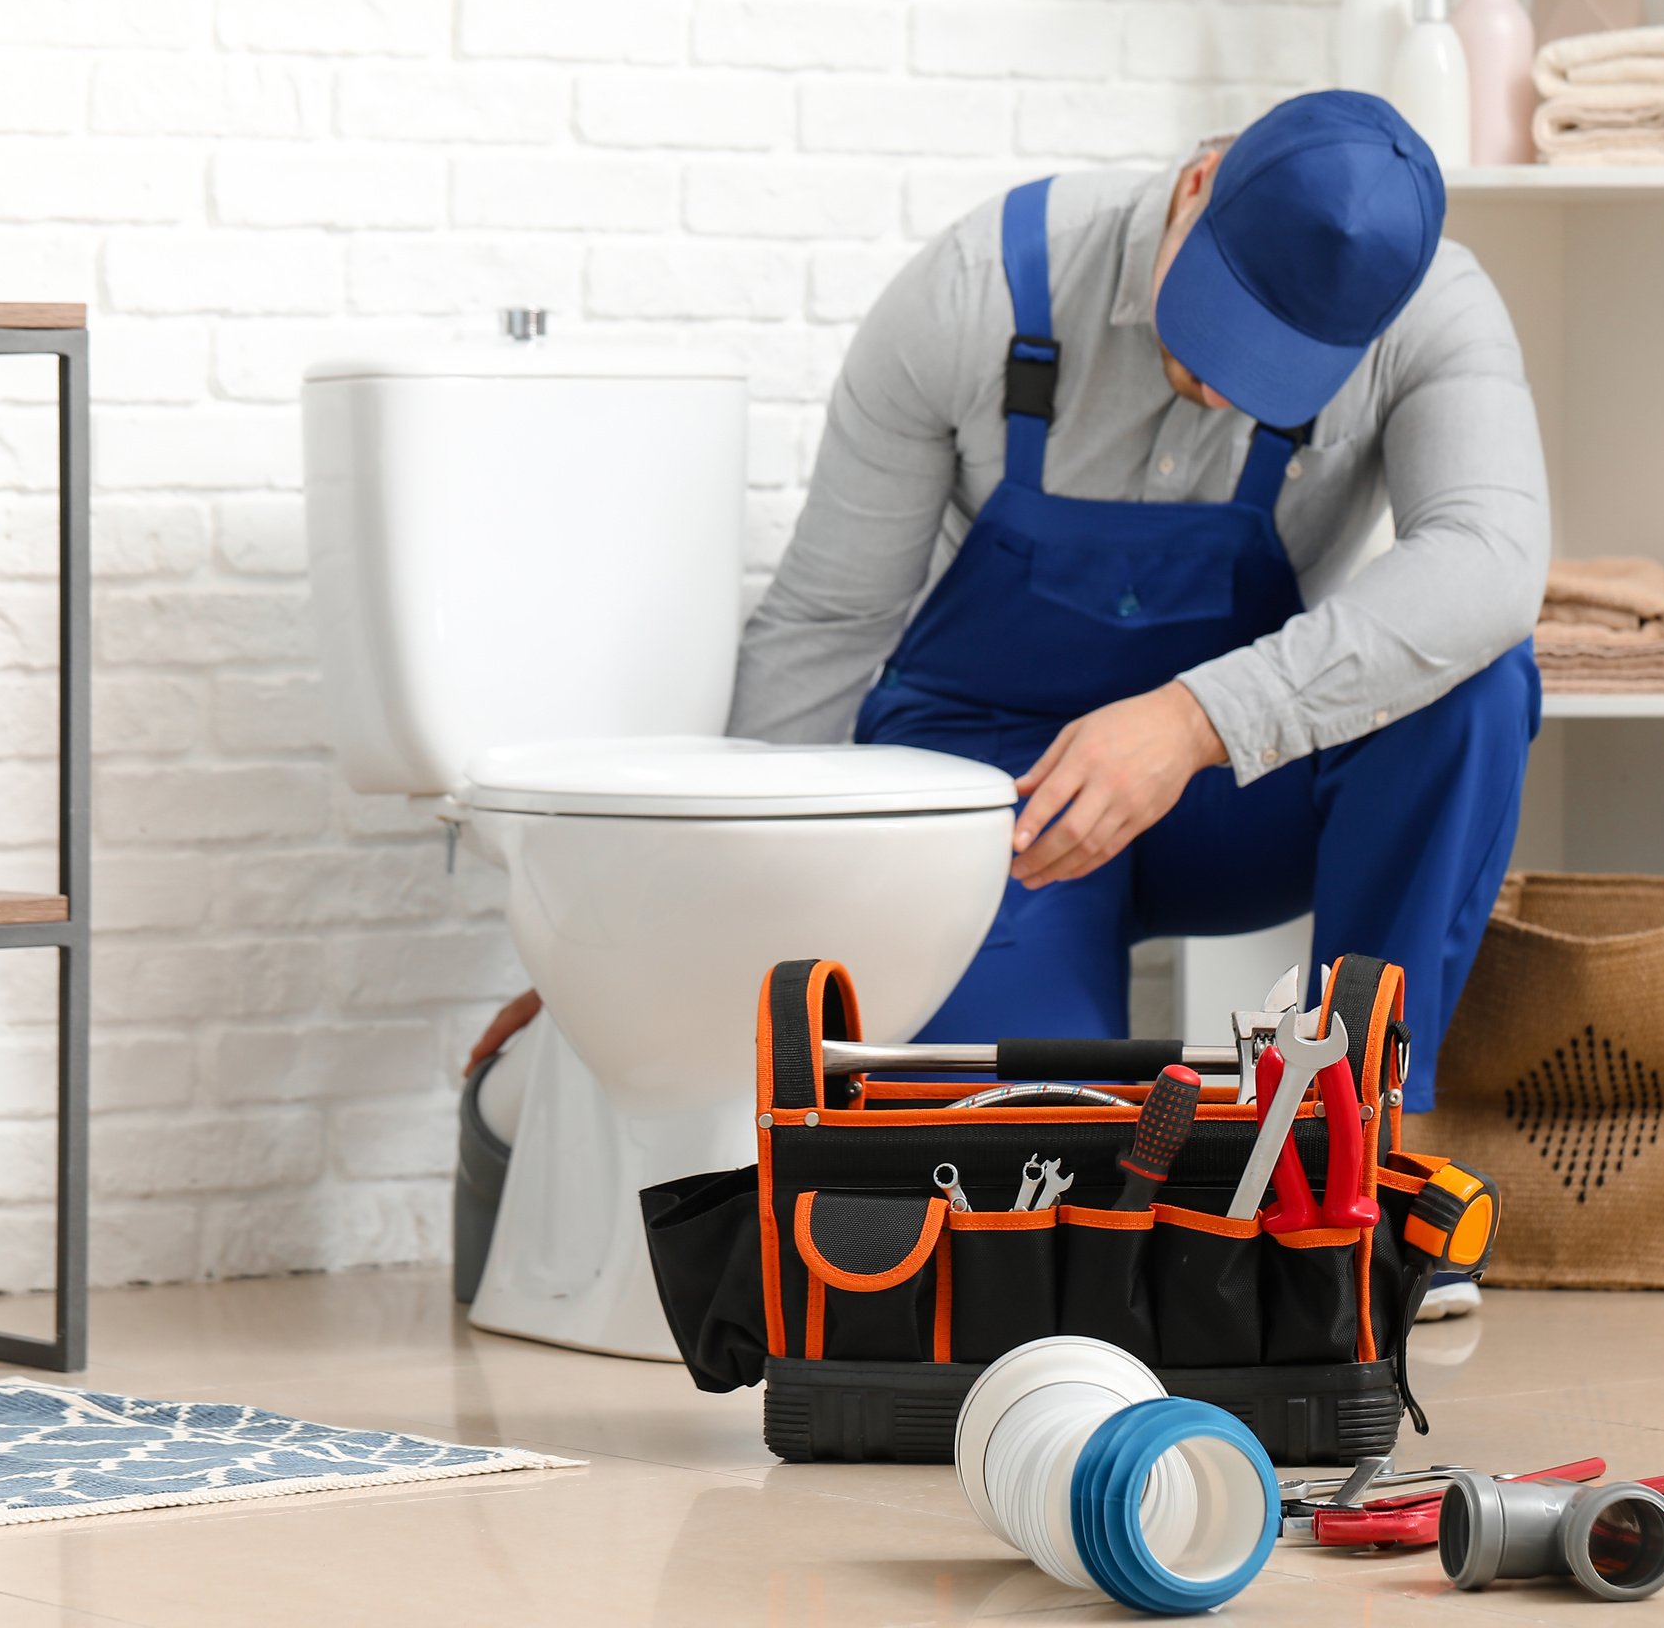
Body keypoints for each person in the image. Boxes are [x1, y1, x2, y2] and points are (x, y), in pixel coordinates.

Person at [479, 93, 1548, 1300]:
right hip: (999, 811)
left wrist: (1194, 721)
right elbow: (828, 627)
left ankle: (1360, 1180)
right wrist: (669, 924)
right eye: (1211, 331)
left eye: (1273, 375)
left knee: (1475, 688)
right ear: (1196, 184)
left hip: (1217, 787)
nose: (1216, 386)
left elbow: (1493, 566)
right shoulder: (978, 290)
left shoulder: (1433, 310)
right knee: (1035, 1195)